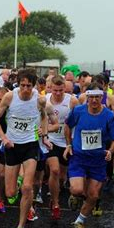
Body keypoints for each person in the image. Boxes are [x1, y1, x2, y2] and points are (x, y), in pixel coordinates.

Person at [0, 69, 50, 228]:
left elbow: (45, 118)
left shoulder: (39, 100)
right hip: (12, 146)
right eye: (22, 85)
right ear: (19, 84)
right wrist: (4, 138)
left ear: (34, 86)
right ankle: (16, 185)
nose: (25, 89)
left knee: (27, 187)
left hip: (31, 146)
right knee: (10, 193)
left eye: (29, 86)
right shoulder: (10, 97)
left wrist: (43, 132)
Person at [64, 83, 114, 228]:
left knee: (94, 195)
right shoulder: (78, 111)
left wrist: (110, 151)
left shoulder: (109, 115)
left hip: (97, 160)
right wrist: (68, 144)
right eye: (91, 97)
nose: (94, 100)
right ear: (87, 97)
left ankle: (79, 222)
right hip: (79, 157)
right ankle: (74, 195)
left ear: (102, 98)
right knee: (77, 189)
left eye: (97, 97)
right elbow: (67, 126)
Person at [45, 76, 79, 219]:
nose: (58, 93)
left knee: (61, 177)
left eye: (61, 90)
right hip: (51, 141)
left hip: (66, 142)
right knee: (54, 170)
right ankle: (56, 203)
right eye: (55, 90)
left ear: (65, 88)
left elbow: (78, 121)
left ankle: (56, 192)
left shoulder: (72, 101)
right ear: (50, 88)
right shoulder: (45, 100)